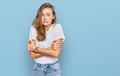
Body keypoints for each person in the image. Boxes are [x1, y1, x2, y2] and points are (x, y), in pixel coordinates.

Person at [27, 2, 65, 76]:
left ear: (53, 16)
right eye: (42, 15)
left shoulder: (57, 27)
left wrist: (36, 49)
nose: (45, 18)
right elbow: (32, 55)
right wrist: (50, 48)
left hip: (53, 69)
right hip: (37, 69)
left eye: (48, 15)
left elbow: (55, 53)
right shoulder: (34, 28)